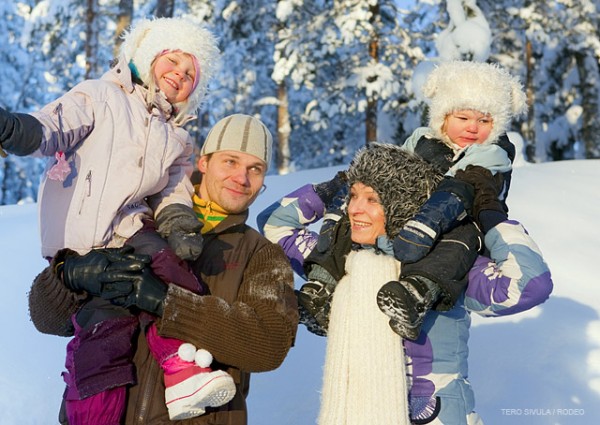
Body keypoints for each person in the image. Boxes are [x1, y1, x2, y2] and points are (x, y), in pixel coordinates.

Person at [1, 16, 236, 423]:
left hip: (131, 229)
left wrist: (179, 221)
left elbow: (173, 189)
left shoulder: (177, 135)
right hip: (80, 243)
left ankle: (181, 371)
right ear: (149, 57)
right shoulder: (101, 97)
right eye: (173, 62)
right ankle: (91, 414)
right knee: (104, 332)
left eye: (189, 74)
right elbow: (52, 127)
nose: (178, 76)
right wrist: (14, 129)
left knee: (177, 277)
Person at [28, 113, 299, 424]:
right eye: (230, 161)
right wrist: (70, 274)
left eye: (256, 168)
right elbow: (46, 318)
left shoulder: (261, 255)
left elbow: (267, 344)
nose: (242, 177)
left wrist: (168, 304)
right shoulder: (137, 221)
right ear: (203, 162)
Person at [258, 142, 553, 424]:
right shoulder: (338, 264)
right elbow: (274, 222)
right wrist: (334, 187)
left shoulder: (446, 264)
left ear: (402, 206)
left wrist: (491, 215)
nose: (355, 208)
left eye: (372, 199)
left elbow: (528, 284)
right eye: (353, 196)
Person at [282, 60, 528, 340]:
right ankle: (321, 289)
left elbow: (466, 189)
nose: (473, 128)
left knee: (457, 245)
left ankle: (417, 295)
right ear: (443, 118)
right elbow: (393, 167)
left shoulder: (491, 154)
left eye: (484, 121)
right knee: (355, 216)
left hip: (456, 224)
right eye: (463, 118)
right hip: (407, 219)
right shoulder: (422, 140)